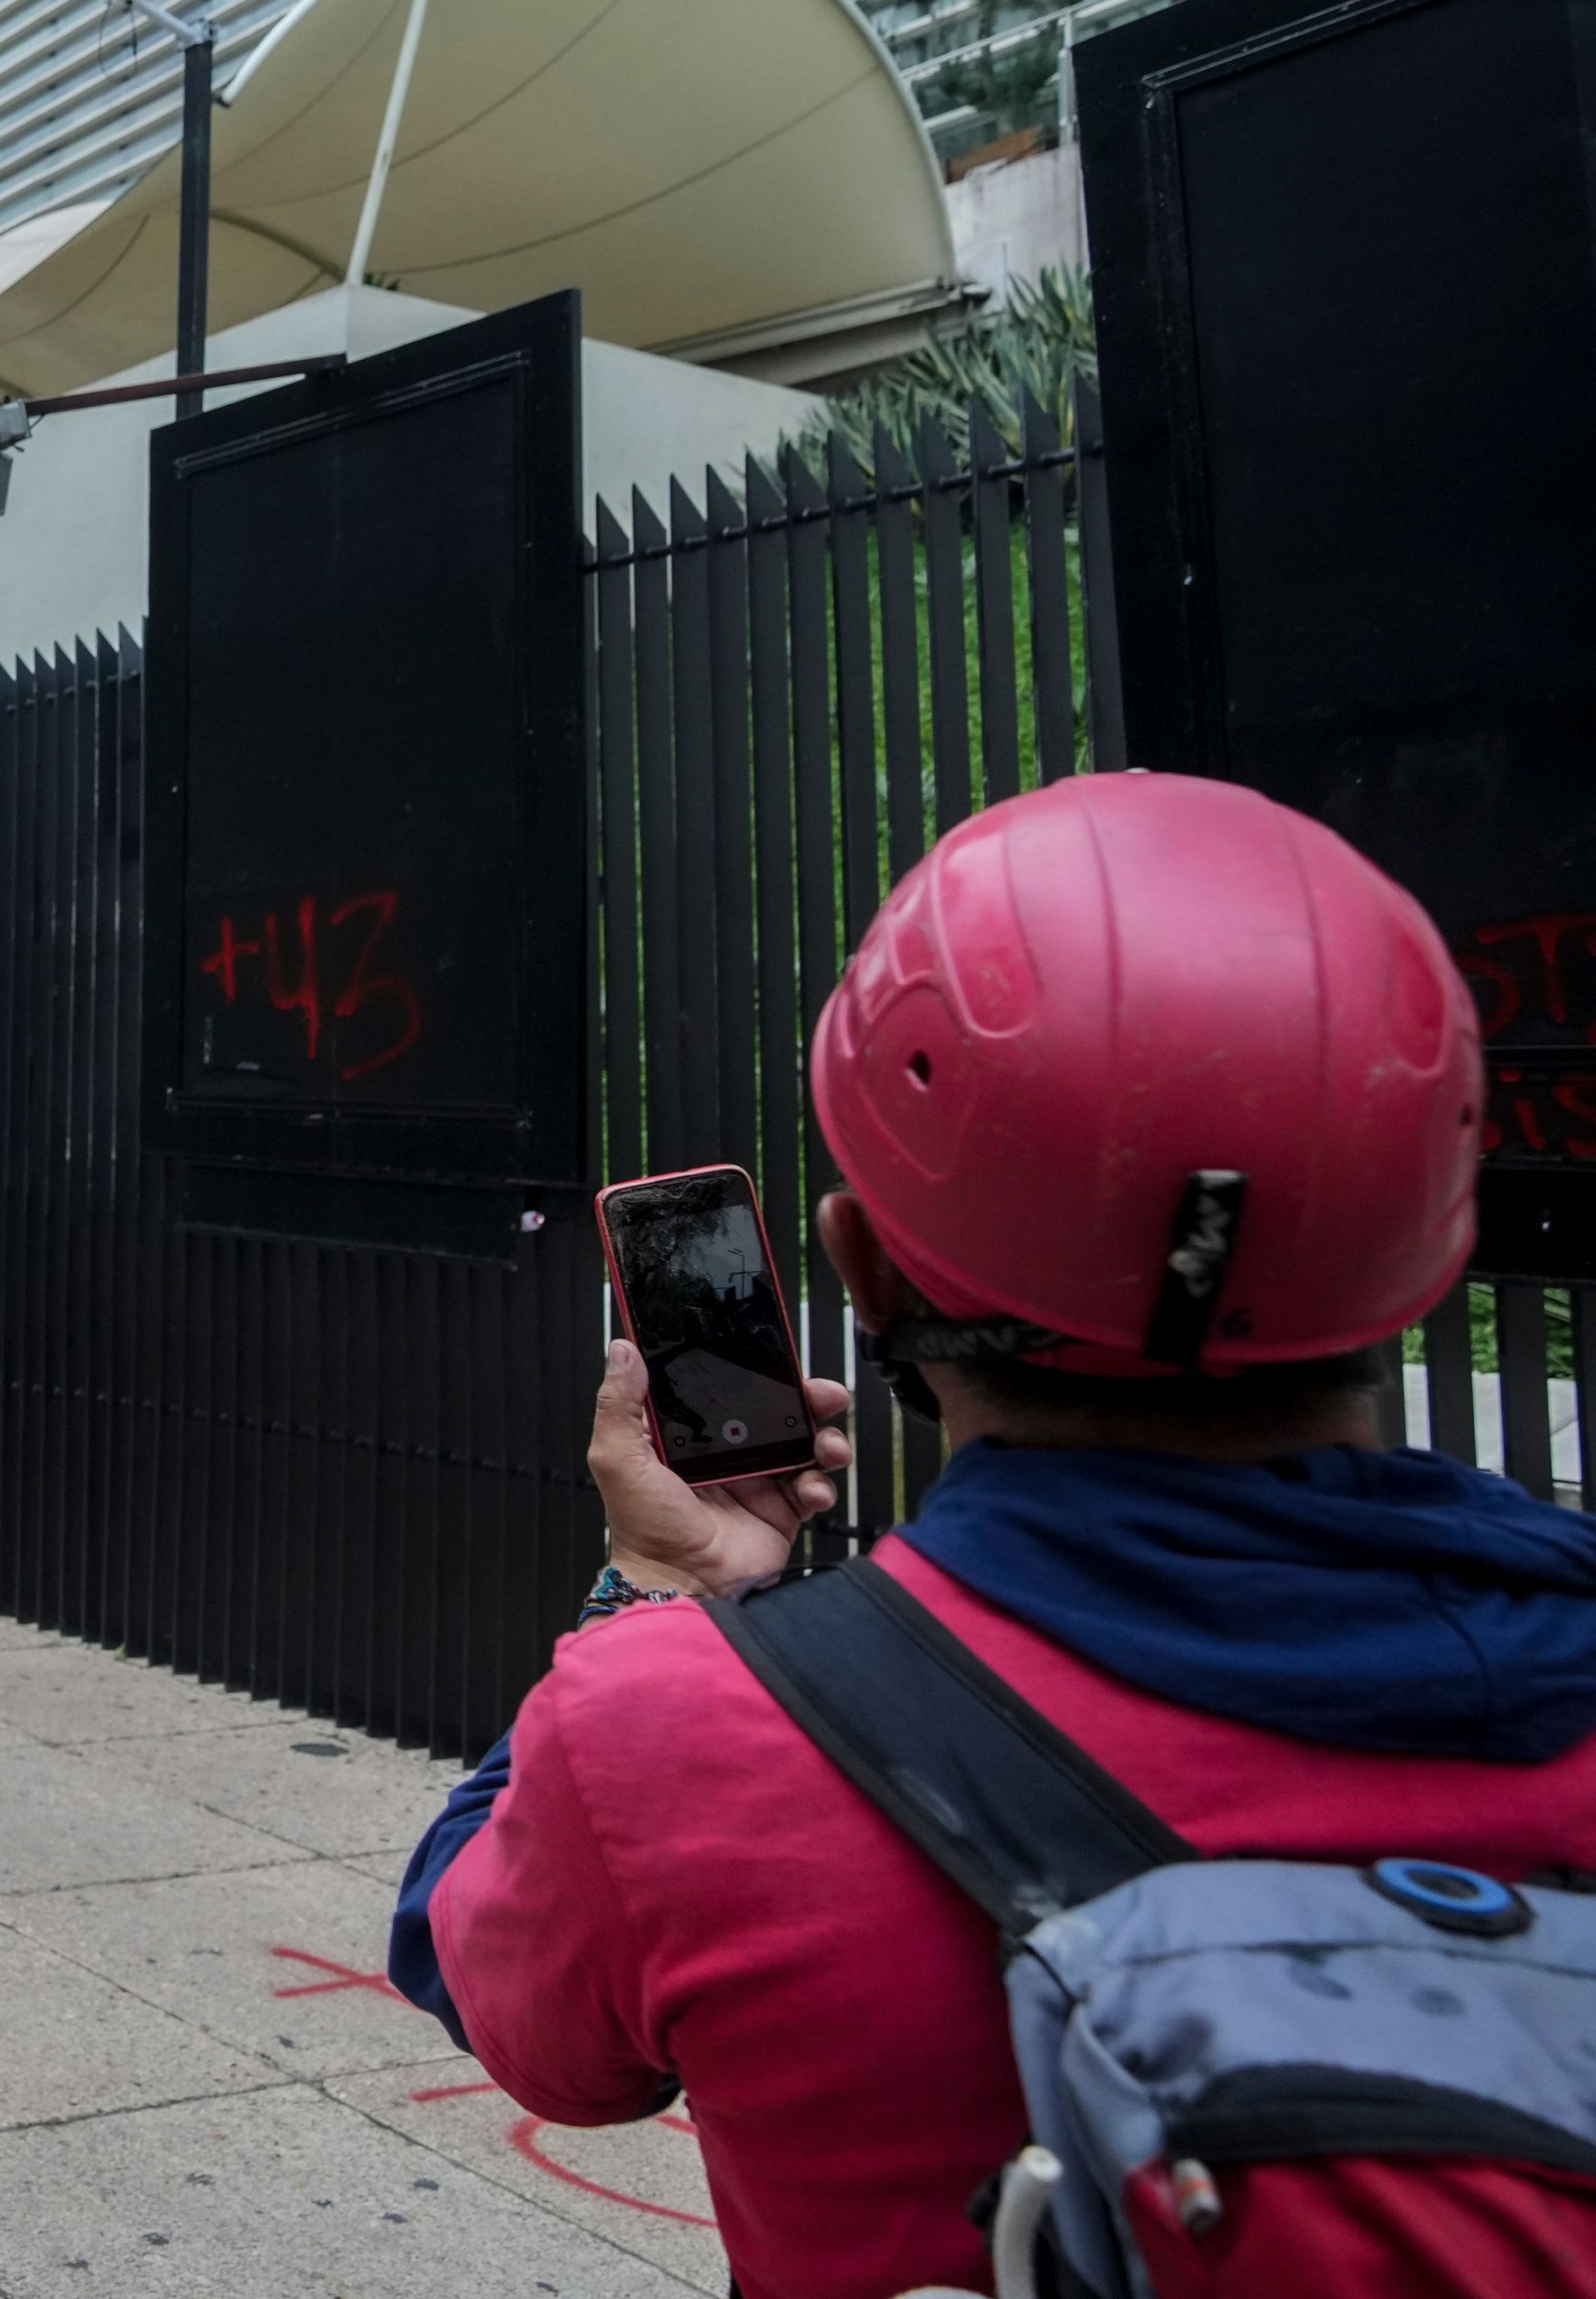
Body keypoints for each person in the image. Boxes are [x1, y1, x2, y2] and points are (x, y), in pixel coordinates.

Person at [390, 775, 1596, 2297]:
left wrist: (662, 1592)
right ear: (1435, 1242)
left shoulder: (678, 1738)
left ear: (865, 1266)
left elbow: (501, 1996)